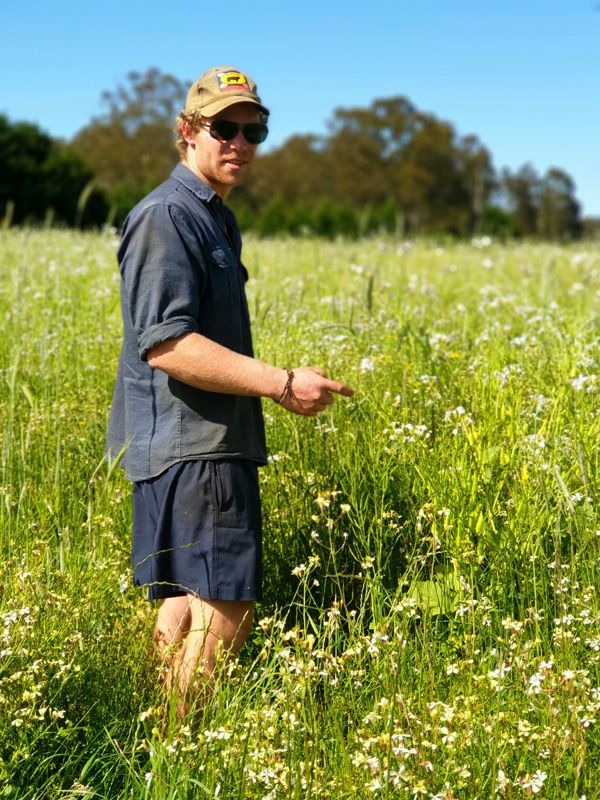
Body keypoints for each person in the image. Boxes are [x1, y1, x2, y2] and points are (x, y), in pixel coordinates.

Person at [106, 65, 353, 714]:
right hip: (198, 449)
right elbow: (167, 346)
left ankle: (156, 753)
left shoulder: (211, 218)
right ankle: (183, 752)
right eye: (224, 128)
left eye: (254, 130)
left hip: (183, 447)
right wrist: (280, 383)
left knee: (184, 610)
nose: (240, 142)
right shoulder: (168, 216)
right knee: (230, 609)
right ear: (187, 133)